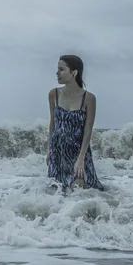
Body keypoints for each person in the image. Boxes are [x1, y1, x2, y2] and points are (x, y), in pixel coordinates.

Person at [46, 54, 104, 191]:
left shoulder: (89, 98)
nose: (57, 73)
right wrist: (50, 151)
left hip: (78, 152)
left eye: (61, 69)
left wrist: (81, 159)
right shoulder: (53, 94)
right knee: (58, 193)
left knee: (79, 191)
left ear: (74, 72)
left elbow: (88, 130)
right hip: (58, 152)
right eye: (57, 69)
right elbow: (52, 125)